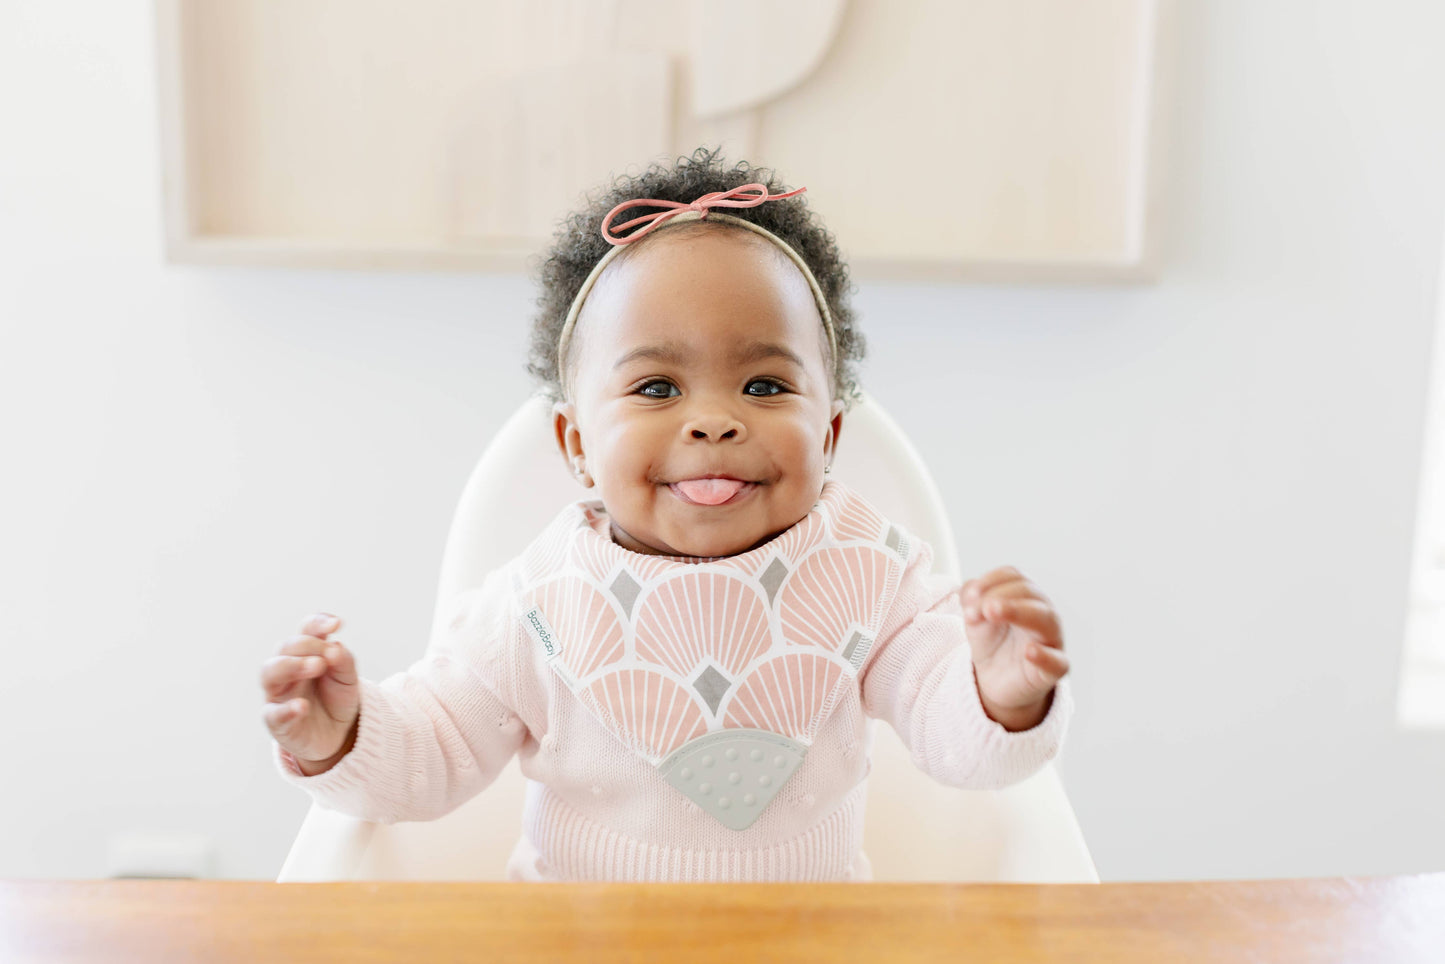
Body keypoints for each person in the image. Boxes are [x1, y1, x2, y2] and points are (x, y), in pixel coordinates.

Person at [261, 148, 1073, 881]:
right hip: (580, 943)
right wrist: (342, 735)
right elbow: (430, 752)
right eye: (656, 388)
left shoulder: (868, 576)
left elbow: (961, 753)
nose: (713, 421)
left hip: (810, 941)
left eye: (763, 386)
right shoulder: (537, 603)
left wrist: (999, 698)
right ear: (575, 443)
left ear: (828, 435)